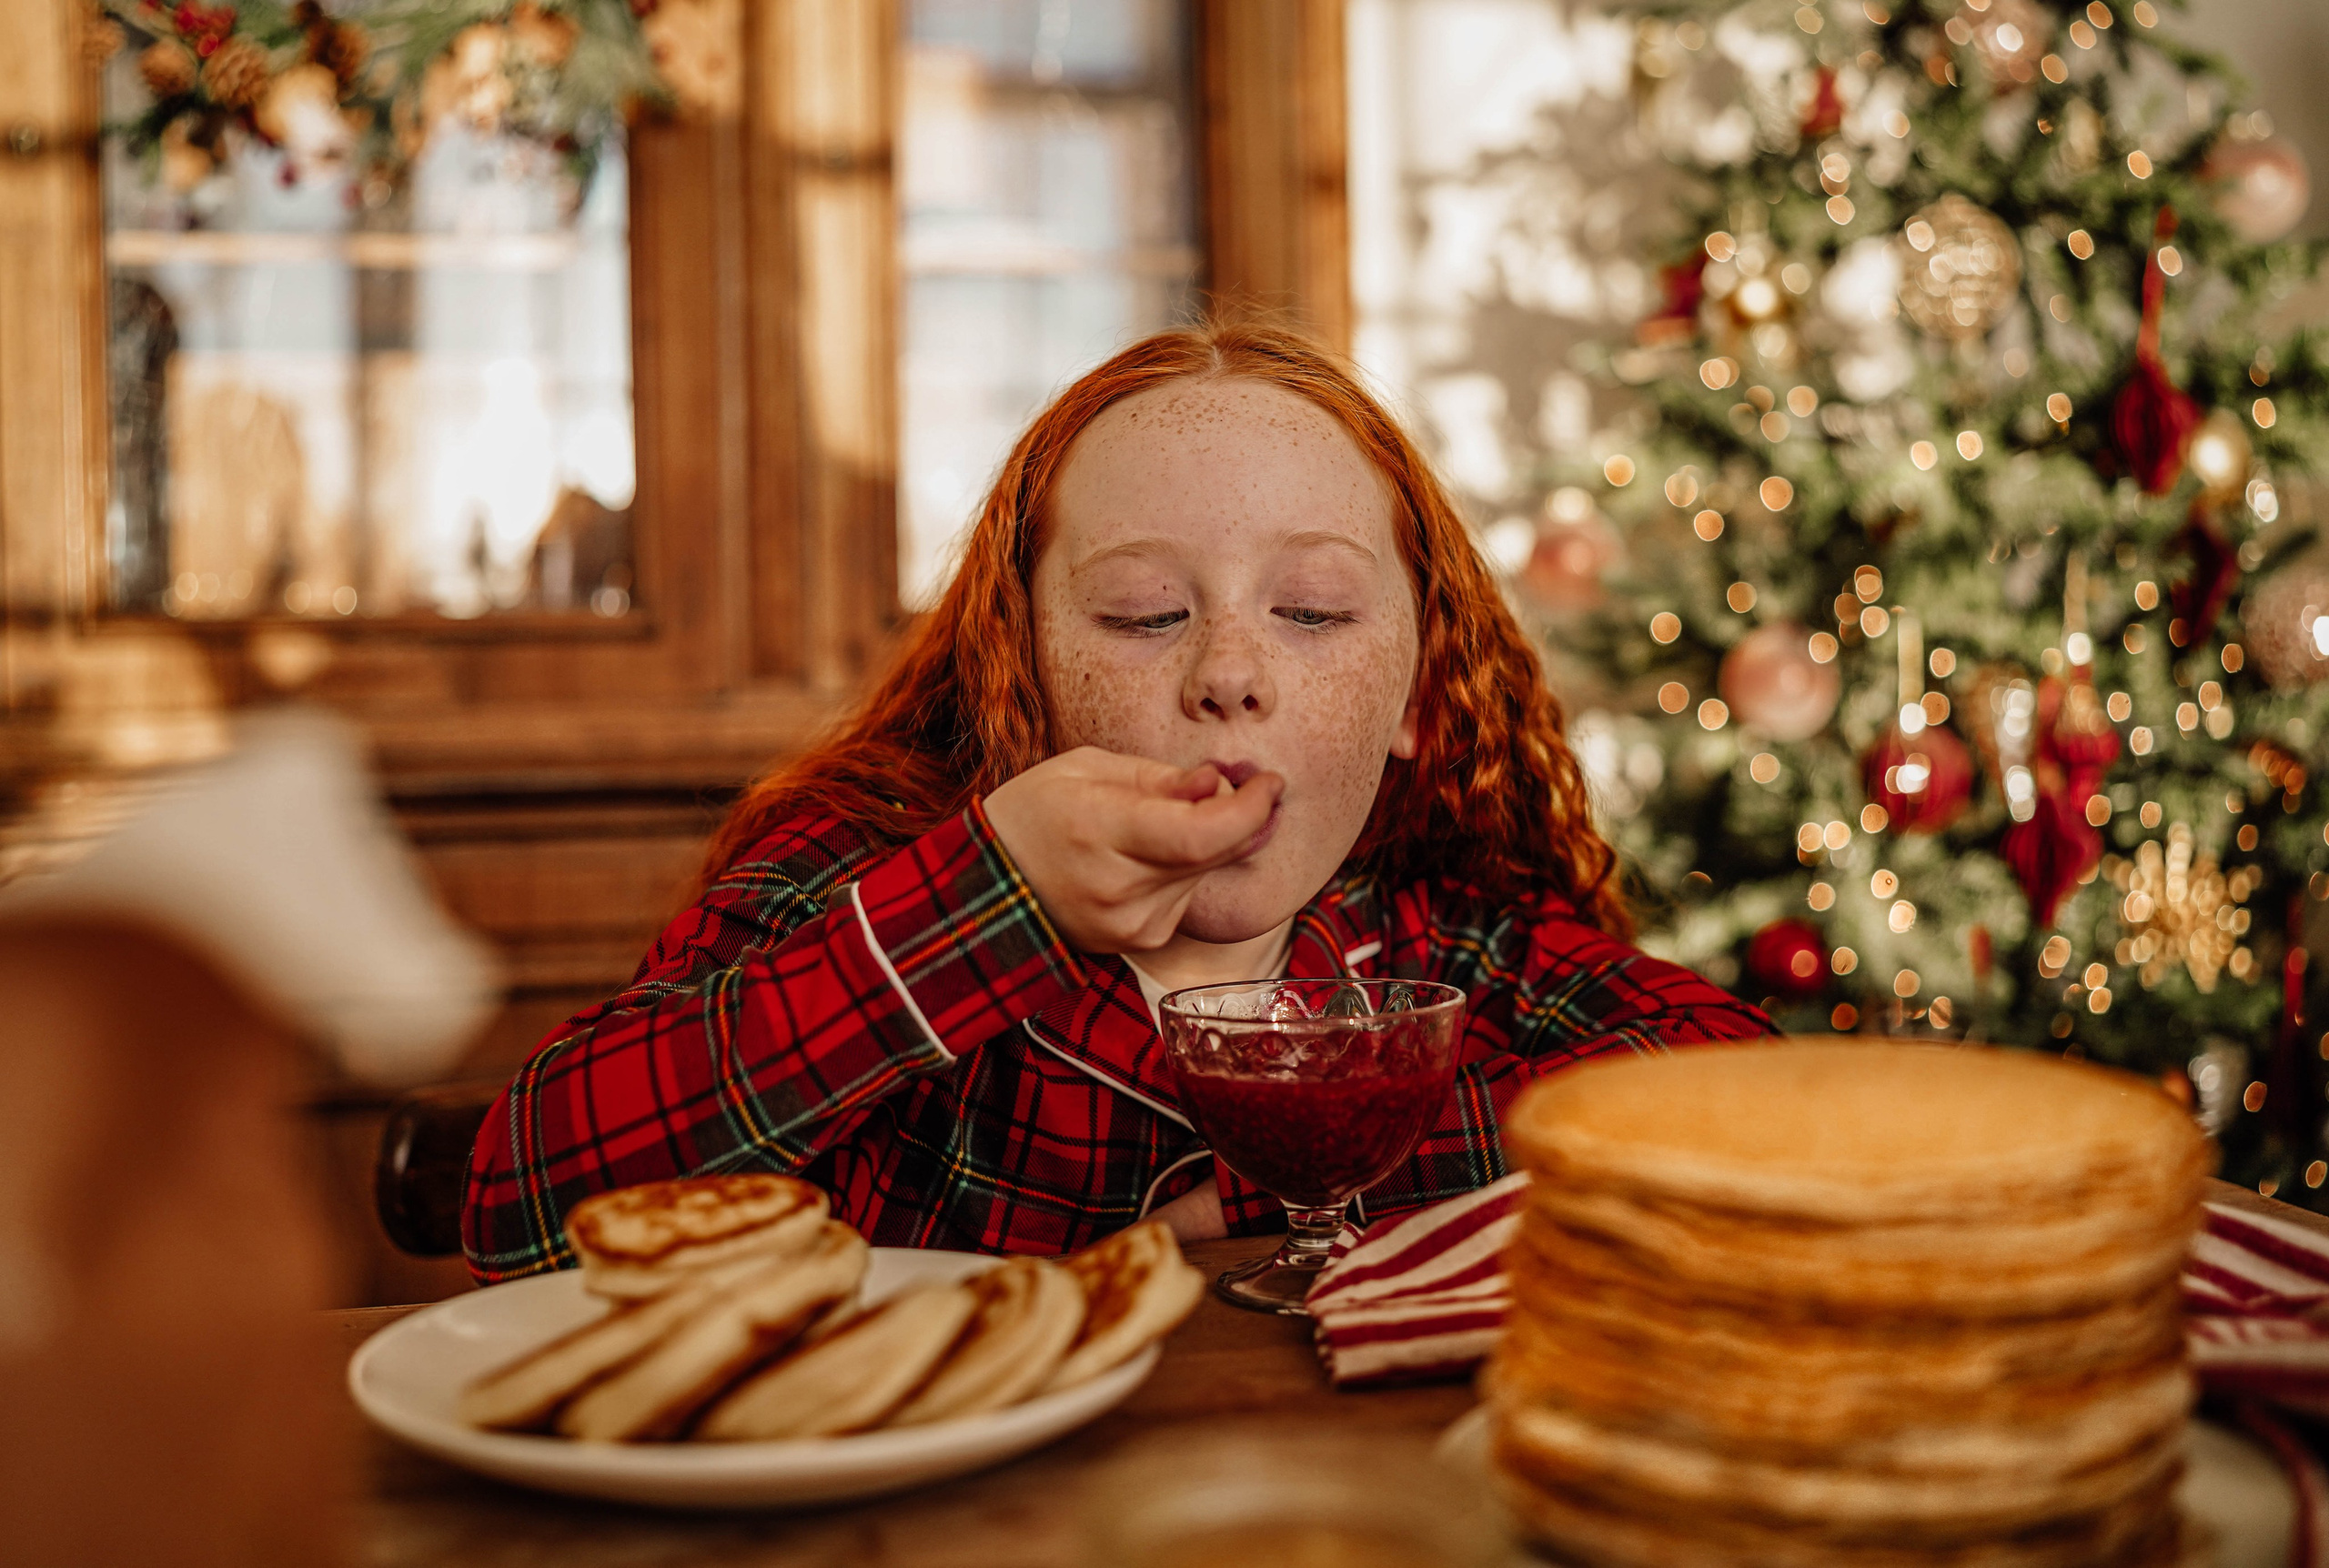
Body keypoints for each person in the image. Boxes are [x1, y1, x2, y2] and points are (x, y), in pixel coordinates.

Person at [462, 323, 1769, 1282]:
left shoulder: (1444, 934)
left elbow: (1750, 1104)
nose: (1230, 675)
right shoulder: (857, 877)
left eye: (1313, 611)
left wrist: (1304, 1184)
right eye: (1145, 614)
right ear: (1020, 671)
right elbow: (521, 1208)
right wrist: (984, 907)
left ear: (1418, 698)